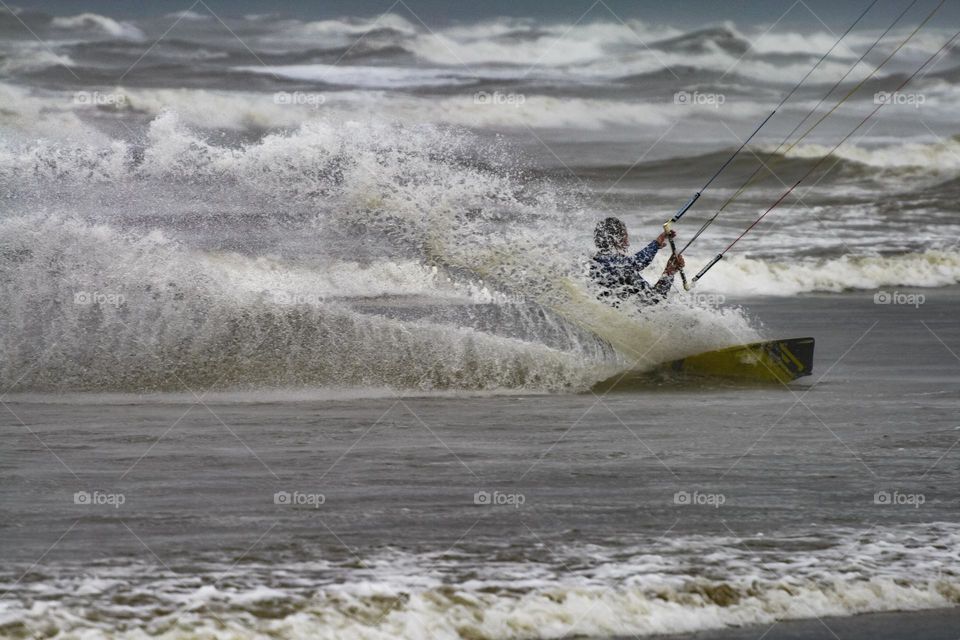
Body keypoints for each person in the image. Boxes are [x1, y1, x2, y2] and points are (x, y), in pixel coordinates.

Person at [590, 216, 685, 305]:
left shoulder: (597, 264)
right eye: (625, 237)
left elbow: (634, 263)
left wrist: (657, 243)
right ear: (617, 240)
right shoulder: (623, 269)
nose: (627, 243)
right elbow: (654, 300)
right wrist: (669, 273)